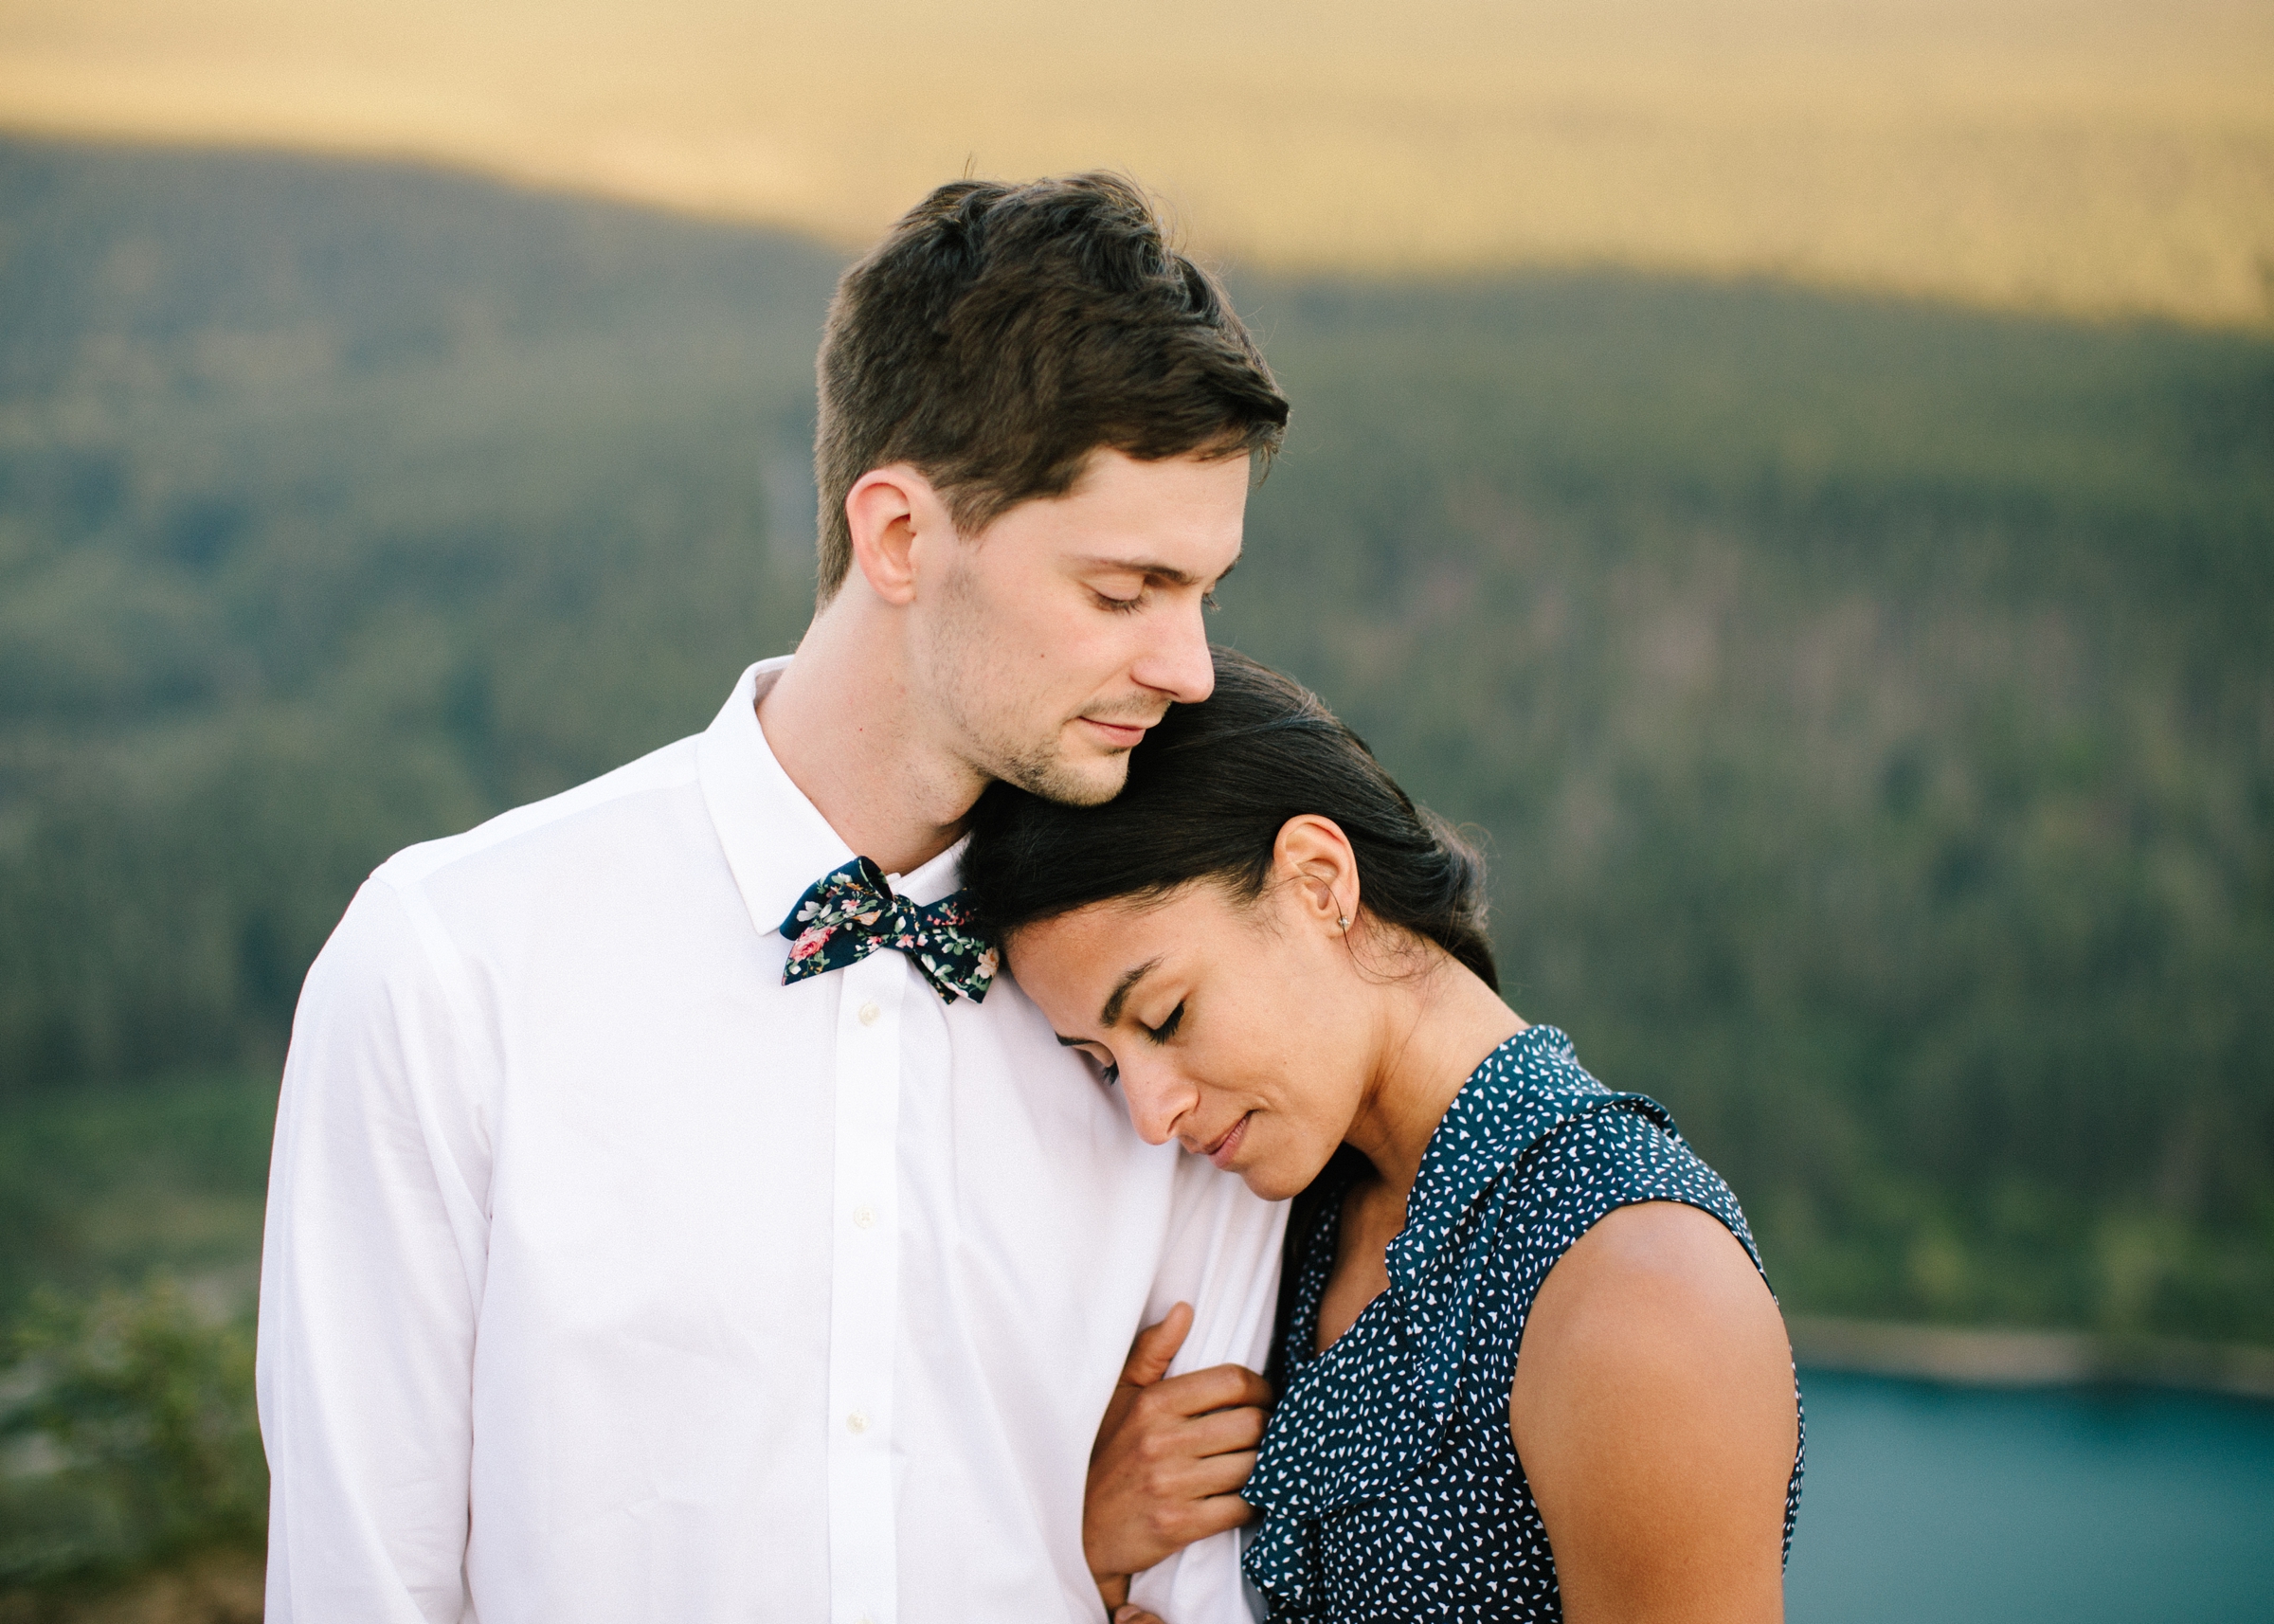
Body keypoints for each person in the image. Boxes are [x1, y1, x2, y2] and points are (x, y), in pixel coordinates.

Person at [257, 175, 1294, 1623]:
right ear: (899, 537)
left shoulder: (1177, 1019)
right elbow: (364, 1585)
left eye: (1205, 593)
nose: (1189, 669)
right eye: (1126, 592)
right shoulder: (451, 968)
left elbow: (1206, 1583)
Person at [962, 650, 1807, 1624]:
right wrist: (1096, 1539)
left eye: (1166, 1014)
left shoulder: (1636, 1287)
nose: (1151, 1114)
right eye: (1105, 1064)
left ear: (1319, 882)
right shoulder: (1300, 1216)